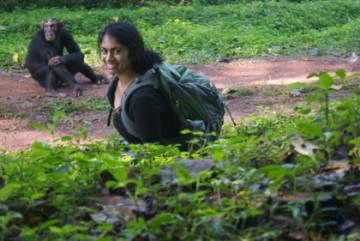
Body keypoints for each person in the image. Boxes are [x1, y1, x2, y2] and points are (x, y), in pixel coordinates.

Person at [99, 22, 183, 145]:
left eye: (117, 51)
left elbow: (153, 152)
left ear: (132, 52)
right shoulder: (116, 83)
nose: (108, 58)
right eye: (104, 51)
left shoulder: (142, 99)